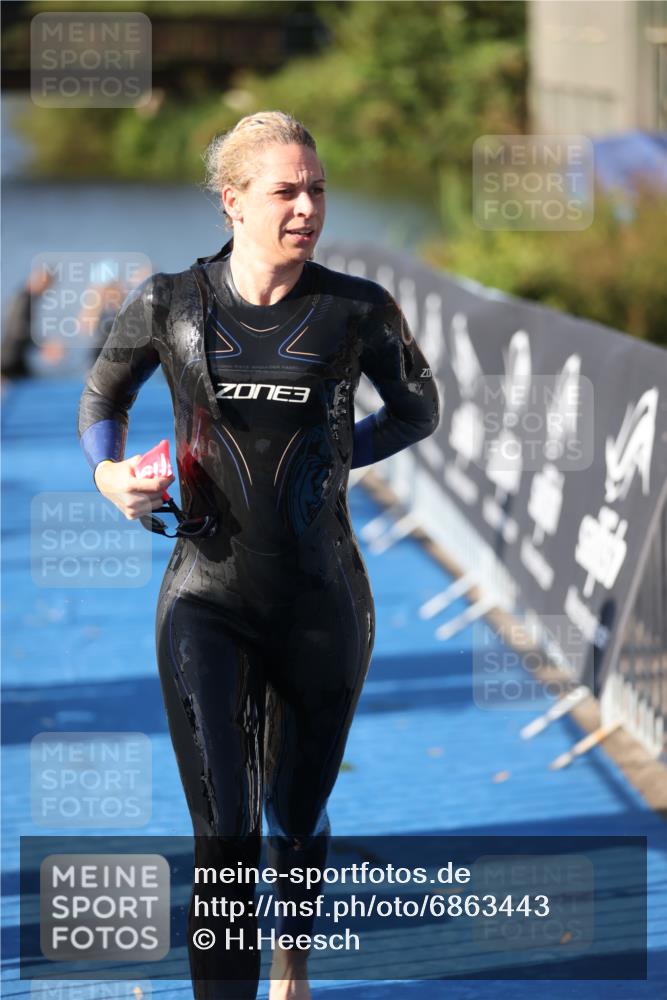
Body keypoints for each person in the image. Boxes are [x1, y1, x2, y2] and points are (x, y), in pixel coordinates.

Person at [77, 111, 440, 1000]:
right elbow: (101, 395)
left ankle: (292, 959)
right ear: (233, 201)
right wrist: (108, 475)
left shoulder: (356, 310)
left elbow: (417, 409)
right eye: (286, 191)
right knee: (227, 828)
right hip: (206, 596)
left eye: (316, 190)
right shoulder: (170, 303)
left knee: (294, 811)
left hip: (323, 599)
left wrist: (334, 453)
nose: (307, 207)